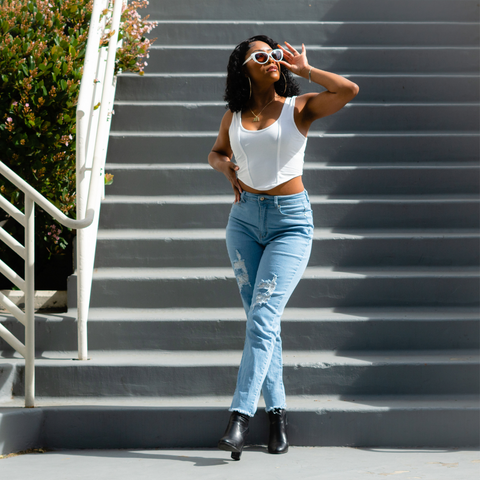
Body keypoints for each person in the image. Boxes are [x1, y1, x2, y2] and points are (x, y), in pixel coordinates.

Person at [208, 35, 359, 460]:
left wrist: (304, 69)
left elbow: (348, 90)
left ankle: (239, 418)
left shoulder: (300, 108)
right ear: (244, 66)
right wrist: (226, 169)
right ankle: (277, 415)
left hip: (290, 223)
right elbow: (216, 153)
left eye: (275, 54)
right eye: (261, 55)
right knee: (261, 321)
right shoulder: (234, 115)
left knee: (262, 317)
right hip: (242, 224)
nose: (271, 59)